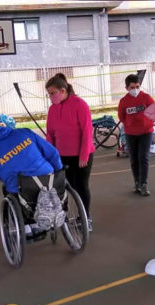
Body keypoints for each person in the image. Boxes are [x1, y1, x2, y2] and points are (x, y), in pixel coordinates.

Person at [45, 73, 95, 228]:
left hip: (81, 156)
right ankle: (65, 216)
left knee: (81, 187)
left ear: (63, 90)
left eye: (53, 93)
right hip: (61, 156)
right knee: (65, 187)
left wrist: (84, 154)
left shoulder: (80, 104)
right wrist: (50, 156)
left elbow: (87, 131)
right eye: (49, 94)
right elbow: (50, 134)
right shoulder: (52, 109)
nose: (51, 96)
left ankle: (86, 218)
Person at [118, 74, 155, 196]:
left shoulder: (146, 98)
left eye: (137, 86)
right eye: (132, 87)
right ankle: (137, 182)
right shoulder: (123, 101)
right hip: (131, 133)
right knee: (134, 159)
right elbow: (121, 117)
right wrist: (129, 125)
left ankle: (144, 183)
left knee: (143, 157)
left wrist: (148, 123)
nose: (135, 89)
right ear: (127, 88)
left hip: (146, 132)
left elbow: (154, 110)